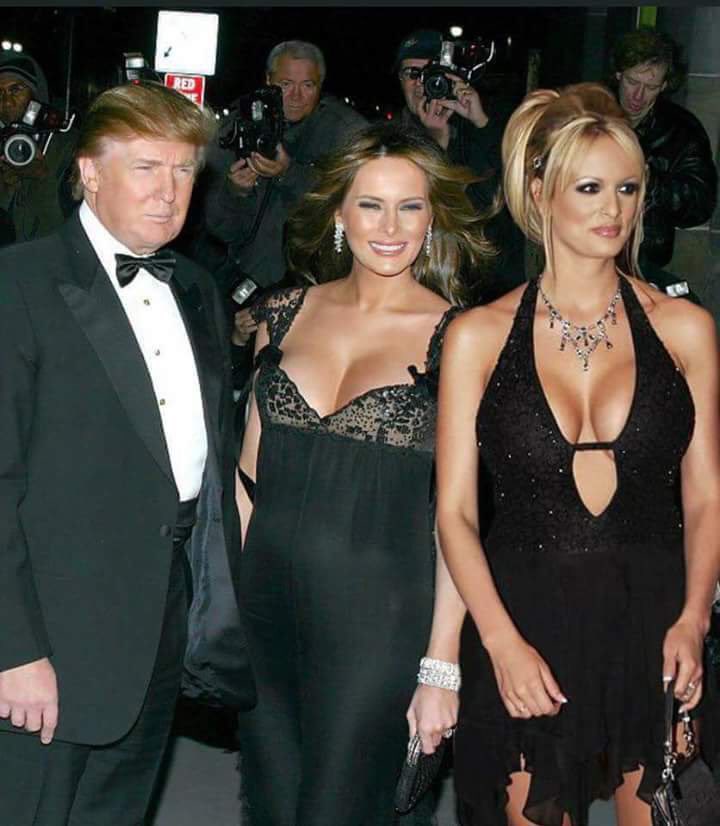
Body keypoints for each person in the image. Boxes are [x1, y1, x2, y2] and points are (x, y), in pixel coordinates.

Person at [435, 82, 720, 825]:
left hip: (655, 620)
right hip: (524, 620)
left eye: (628, 188)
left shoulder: (685, 328)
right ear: (540, 194)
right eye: (589, 188)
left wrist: (695, 617)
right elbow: (455, 513)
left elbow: (706, 495)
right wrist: (499, 641)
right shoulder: (478, 335)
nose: (613, 209)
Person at [0, 80, 254, 826]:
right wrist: (12, 650)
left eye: (184, 170)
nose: (168, 191)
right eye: (146, 167)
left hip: (157, 636)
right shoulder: (18, 284)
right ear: (89, 172)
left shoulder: (197, 289)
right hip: (47, 642)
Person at [234, 121, 493, 825]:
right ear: (339, 214)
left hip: (381, 621)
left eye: (410, 207)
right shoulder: (282, 315)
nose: (391, 227)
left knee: (340, 808)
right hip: (263, 612)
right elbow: (248, 481)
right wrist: (221, 614)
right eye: (371, 205)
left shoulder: (460, 338)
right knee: (273, 805)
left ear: (432, 220)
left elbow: (457, 518)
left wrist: (441, 664)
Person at [200, 40, 368, 383]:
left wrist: (290, 173)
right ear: (268, 81)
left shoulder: (345, 132)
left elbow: (359, 203)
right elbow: (216, 226)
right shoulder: (240, 124)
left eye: (308, 85)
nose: (295, 96)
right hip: (241, 287)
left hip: (317, 294)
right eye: (285, 84)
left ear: (321, 86)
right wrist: (235, 191)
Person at [394, 29, 525, 303]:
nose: (421, 83)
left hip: (486, 293)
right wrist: (436, 144)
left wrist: (481, 123)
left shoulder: (480, 129)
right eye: (411, 73)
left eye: (430, 73)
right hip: (420, 290)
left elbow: (498, 206)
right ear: (400, 80)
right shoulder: (390, 139)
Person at [610, 28, 717, 272]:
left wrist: (650, 183)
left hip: (644, 260)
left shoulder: (682, 130)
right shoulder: (588, 111)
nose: (638, 96)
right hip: (582, 251)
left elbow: (701, 204)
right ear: (618, 74)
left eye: (651, 87)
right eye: (632, 82)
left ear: (664, 85)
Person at [0, 51, 78, 247]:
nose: (6, 101)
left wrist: (42, 176)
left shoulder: (70, 146)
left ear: (36, 95)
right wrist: (7, 188)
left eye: (16, 90)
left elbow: (74, 226)